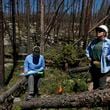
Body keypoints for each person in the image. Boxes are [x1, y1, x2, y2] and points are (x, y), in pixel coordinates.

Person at [86, 25, 110, 90]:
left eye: (100, 31)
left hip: (103, 67)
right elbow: (87, 50)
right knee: (95, 85)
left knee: (101, 86)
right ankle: (94, 99)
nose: (98, 32)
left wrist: (107, 57)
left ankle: (103, 99)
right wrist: (89, 57)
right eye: (97, 30)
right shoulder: (93, 42)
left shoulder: (108, 42)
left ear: (105, 33)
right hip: (94, 66)